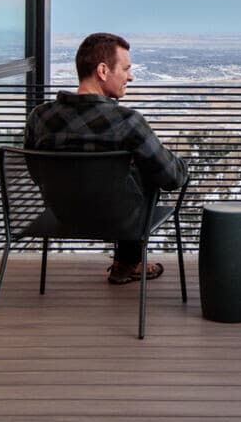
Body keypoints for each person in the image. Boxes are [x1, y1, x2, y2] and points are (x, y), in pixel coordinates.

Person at [24, 32, 188, 284]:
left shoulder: (40, 117)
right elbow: (172, 179)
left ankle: (125, 264)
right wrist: (180, 165)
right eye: (125, 69)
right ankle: (129, 262)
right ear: (103, 70)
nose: (130, 76)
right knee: (144, 171)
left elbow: (37, 173)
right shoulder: (127, 121)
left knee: (131, 171)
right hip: (120, 222)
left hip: (62, 217)